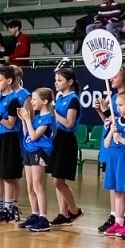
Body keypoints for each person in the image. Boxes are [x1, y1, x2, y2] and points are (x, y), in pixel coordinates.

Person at [0, 65, 27, 223]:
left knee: (7, 176)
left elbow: (9, 124)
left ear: (9, 81)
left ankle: (9, 208)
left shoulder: (14, 99)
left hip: (8, 139)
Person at [102, 89, 125, 239]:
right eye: (116, 105)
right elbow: (106, 144)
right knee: (117, 193)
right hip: (114, 158)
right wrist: (112, 132)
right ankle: (118, 221)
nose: (118, 108)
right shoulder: (115, 122)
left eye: (121, 105)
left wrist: (122, 139)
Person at [48, 68, 82, 225]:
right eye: (55, 80)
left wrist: (53, 112)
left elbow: (68, 123)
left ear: (70, 82)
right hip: (56, 138)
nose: (56, 83)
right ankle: (63, 213)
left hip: (66, 140)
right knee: (57, 178)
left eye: (59, 80)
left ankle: (74, 210)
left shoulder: (73, 99)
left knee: (58, 181)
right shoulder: (60, 97)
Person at [19, 88, 55, 231]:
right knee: (29, 186)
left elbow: (34, 136)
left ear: (44, 101)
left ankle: (43, 218)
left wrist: (28, 119)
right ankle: (34, 214)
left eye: (34, 99)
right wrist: (24, 121)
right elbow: (27, 134)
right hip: (29, 150)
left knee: (37, 185)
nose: (32, 102)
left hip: (40, 152)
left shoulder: (48, 118)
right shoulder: (38, 117)